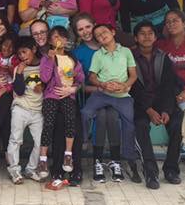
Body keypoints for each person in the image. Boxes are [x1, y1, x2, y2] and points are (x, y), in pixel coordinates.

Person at [129, 21, 182, 190]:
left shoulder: (163, 57)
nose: (146, 36)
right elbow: (134, 88)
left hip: (162, 101)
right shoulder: (129, 57)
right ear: (136, 38)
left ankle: (171, 169)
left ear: (155, 36)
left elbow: (169, 85)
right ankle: (150, 171)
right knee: (140, 125)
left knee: (177, 123)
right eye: (142, 33)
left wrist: (166, 109)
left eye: (150, 33)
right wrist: (149, 110)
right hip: (140, 104)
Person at [81, 23, 137, 183]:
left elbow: (133, 74)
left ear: (113, 32)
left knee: (129, 122)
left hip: (122, 94)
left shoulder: (125, 52)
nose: (102, 36)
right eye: (98, 35)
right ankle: (85, 141)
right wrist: (102, 84)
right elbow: (91, 76)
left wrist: (124, 85)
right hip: (103, 93)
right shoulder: (98, 55)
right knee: (85, 113)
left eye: (104, 32)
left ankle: (127, 156)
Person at [70, 12, 119, 186]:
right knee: (101, 114)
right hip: (91, 95)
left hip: (115, 94)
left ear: (95, 25)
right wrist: (99, 88)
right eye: (80, 29)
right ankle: (97, 161)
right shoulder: (77, 53)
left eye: (88, 27)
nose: (85, 32)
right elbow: (80, 84)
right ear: (76, 33)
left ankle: (115, 161)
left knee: (111, 114)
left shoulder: (111, 46)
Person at [40, 26, 84, 189]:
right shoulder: (47, 57)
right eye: (54, 38)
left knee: (70, 121)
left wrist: (73, 87)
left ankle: (68, 155)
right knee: (49, 124)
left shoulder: (72, 58)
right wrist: (50, 60)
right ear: (50, 41)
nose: (58, 40)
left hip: (68, 95)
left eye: (61, 37)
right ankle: (43, 159)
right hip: (52, 95)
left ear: (66, 40)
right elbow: (44, 78)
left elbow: (79, 77)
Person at [6, 36, 46, 184]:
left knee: (40, 141)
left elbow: (50, 82)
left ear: (34, 49)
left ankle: (31, 169)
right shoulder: (19, 68)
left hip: (38, 110)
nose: (22, 56)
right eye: (19, 54)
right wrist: (20, 73)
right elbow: (19, 91)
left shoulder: (44, 65)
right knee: (16, 139)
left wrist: (43, 86)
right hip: (21, 107)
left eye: (25, 52)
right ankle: (14, 170)